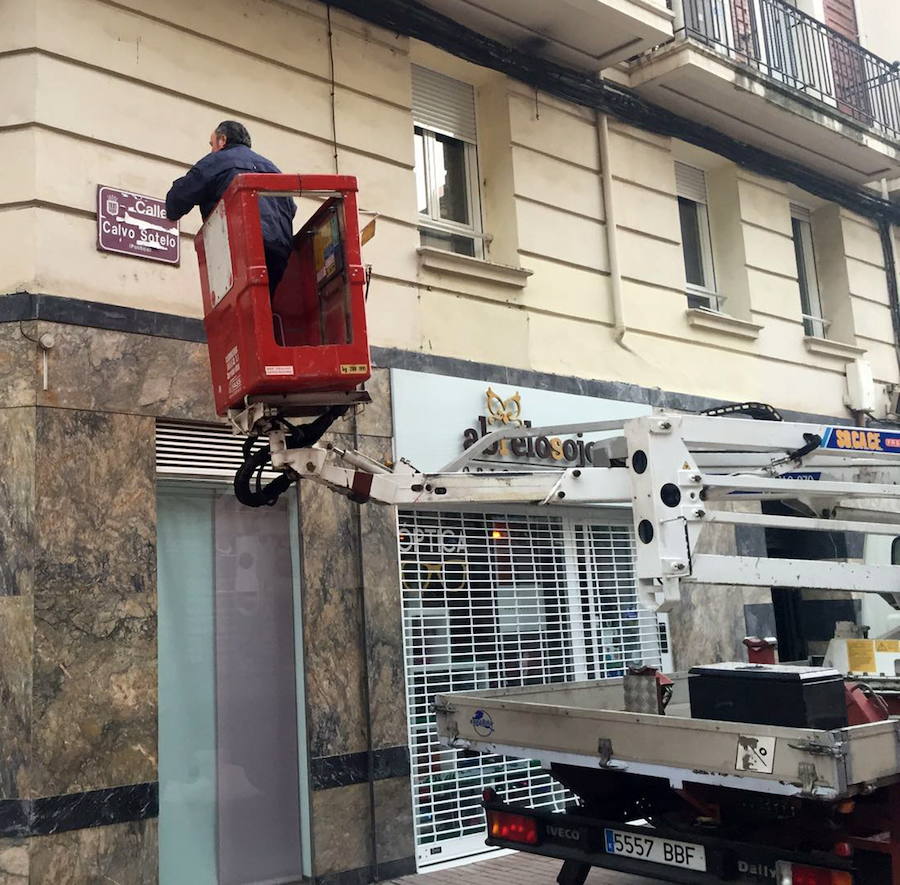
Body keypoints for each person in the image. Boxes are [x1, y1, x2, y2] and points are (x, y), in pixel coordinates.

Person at [165, 121, 296, 294]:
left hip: (237, 247)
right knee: (262, 305)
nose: (211, 149)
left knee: (236, 308)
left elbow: (176, 202)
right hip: (278, 251)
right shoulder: (274, 170)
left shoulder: (217, 161)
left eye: (212, 144)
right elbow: (291, 209)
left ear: (222, 140)